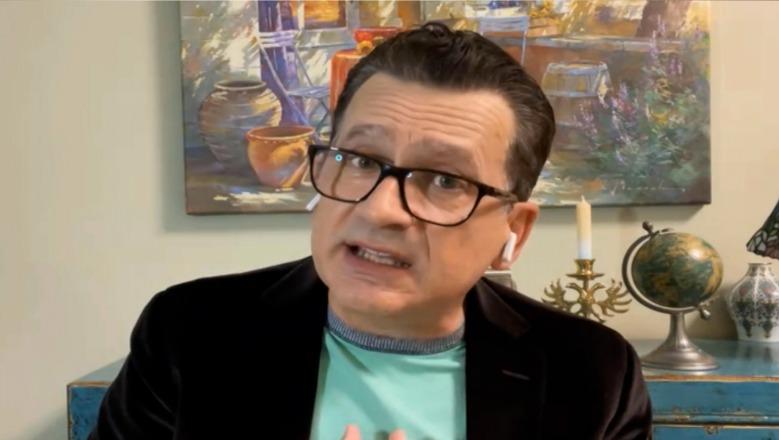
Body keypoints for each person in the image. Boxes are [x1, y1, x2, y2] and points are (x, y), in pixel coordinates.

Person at [90, 22, 652, 440]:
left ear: (514, 229)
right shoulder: (191, 333)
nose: (381, 209)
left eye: (444, 179)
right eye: (360, 160)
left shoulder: (591, 373)